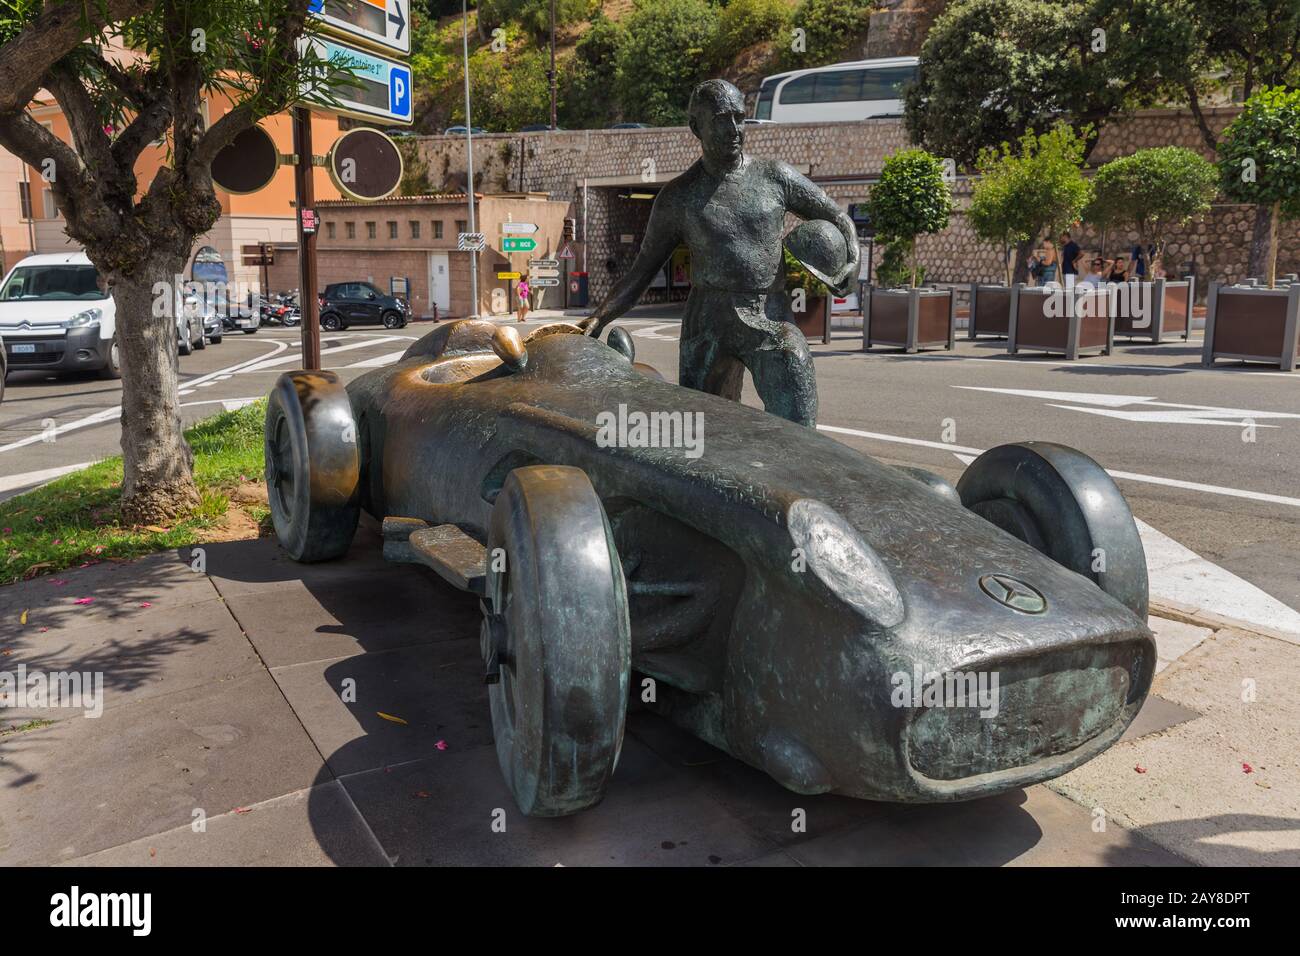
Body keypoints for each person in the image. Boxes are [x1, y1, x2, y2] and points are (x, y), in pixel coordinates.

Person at [580, 79, 859, 428]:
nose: (734, 129)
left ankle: (794, 479)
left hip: (769, 313)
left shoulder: (775, 176)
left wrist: (852, 262)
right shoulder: (677, 198)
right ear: (697, 127)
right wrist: (599, 317)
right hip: (707, 319)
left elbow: (837, 216)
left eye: (739, 118)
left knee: (794, 383)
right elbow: (641, 273)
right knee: (702, 432)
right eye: (721, 119)